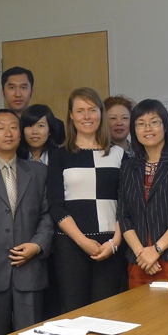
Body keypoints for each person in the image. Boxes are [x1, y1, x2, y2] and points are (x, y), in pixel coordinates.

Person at [0, 109, 54, 335]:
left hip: (30, 269)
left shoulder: (39, 172)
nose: (8, 133)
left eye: (13, 127)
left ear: (20, 134)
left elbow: (48, 214)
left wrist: (37, 245)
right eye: (0, 128)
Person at [47, 87, 126, 313]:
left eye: (92, 110)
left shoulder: (119, 154)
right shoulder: (59, 155)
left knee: (108, 314)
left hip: (111, 246)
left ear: (101, 113)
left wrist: (115, 243)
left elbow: (126, 205)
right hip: (71, 245)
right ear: (71, 115)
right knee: (75, 314)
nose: (87, 116)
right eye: (80, 111)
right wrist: (82, 241)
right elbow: (55, 206)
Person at [117, 99, 168, 288]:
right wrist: (141, 253)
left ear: (165, 126)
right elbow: (123, 215)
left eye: (154, 122)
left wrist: (156, 250)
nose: (147, 128)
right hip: (140, 261)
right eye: (140, 124)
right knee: (140, 307)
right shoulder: (128, 166)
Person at [1, 66, 66, 144]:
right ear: (3, 93)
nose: (18, 94)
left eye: (23, 87)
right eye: (12, 87)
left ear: (31, 92)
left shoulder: (56, 125)